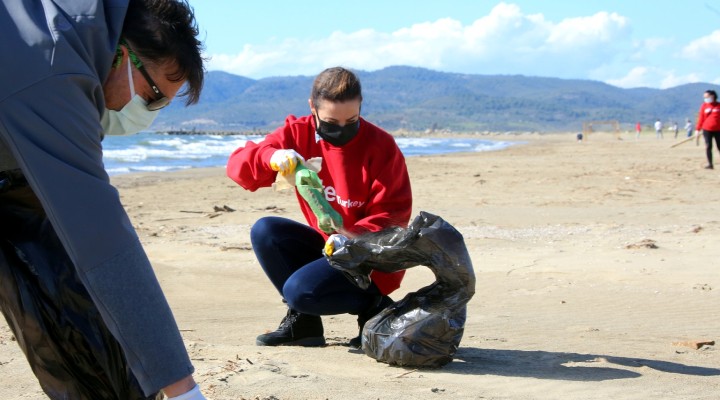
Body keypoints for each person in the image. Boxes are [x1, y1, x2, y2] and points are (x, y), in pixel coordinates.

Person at [0, 1, 208, 399]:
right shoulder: (53, 66)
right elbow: (100, 237)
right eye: (154, 97)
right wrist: (182, 388)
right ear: (121, 53)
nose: (149, 113)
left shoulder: (66, 32)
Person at [226, 67, 413, 348]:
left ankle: (374, 306)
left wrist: (351, 238)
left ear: (361, 105)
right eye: (330, 122)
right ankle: (304, 326)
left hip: (372, 259)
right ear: (312, 107)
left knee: (300, 292)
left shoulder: (382, 147)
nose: (341, 129)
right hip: (328, 247)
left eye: (351, 120)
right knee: (266, 230)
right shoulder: (297, 133)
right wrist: (271, 156)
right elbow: (238, 168)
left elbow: (392, 217)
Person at [696, 90, 720, 169]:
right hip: (707, 129)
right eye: (704, 97)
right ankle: (710, 164)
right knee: (708, 146)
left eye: (707, 97)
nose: (705, 98)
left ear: (712, 96)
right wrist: (697, 129)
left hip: (718, 130)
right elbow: (701, 118)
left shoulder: (718, 105)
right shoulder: (704, 106)